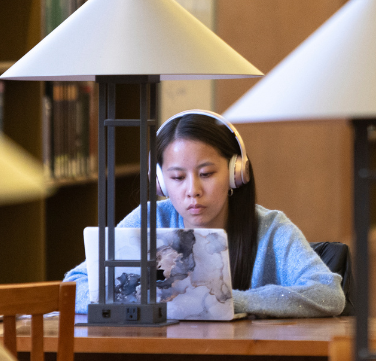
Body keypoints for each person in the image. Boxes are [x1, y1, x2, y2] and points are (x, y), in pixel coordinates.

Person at [64, 110, 345, 318]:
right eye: (176, 178)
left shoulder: (271, 229)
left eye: (206, 174)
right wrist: (150, 299)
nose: (192, 190)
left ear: (237, 173)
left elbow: (329, 294)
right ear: (160, 182)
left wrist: (225, 301)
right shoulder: (149, 220)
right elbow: (73, 285)